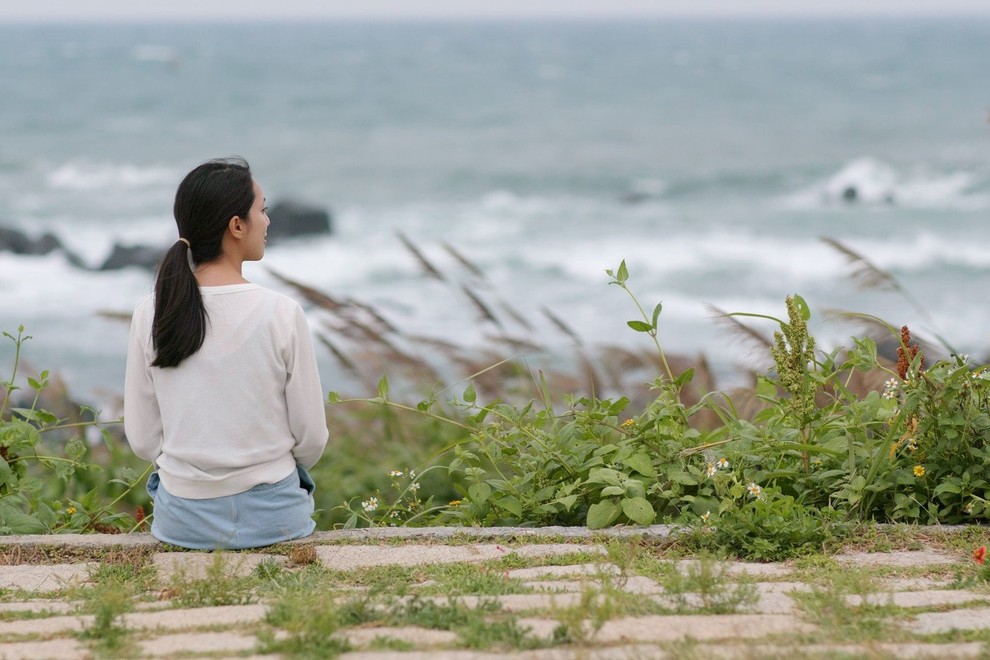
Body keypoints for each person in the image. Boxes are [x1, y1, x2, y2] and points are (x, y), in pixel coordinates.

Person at [124, 157, 328, 550]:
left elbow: (143, 440)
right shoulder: (282, 312)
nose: (268, 221)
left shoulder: (150, 311)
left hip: (184, 522)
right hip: (275, 519)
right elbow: (312, 438)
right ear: (237, 226)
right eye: (262, 210)